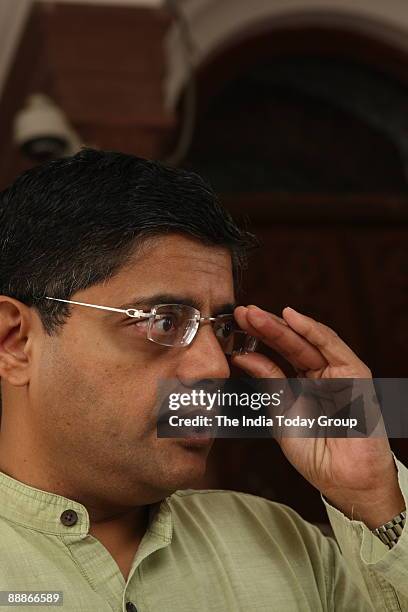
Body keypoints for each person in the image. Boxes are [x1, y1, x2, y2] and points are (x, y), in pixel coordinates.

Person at [0, 148, 406, 612]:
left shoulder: (286, 547)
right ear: (15, 341)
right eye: (164, 322)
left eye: (223, 328)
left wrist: (375, 500)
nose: (214, 367)